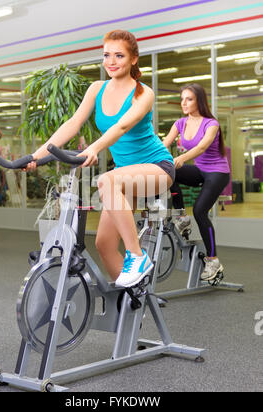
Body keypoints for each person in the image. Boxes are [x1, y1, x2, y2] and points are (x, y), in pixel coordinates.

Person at [25, 29, 175, 288]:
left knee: (106, 181)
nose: (111, 61)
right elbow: (72, 124)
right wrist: (36, 156)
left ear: (133, 59)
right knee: (104, 244)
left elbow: (121, 127)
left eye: (119, 55)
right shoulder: (97, 88)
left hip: (157, 169)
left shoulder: (144, 93)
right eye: (107, 55)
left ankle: (138, 257)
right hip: (125, 174)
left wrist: (93, 148)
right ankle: (132, 296)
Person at [163, 83, 230, 282]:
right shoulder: (180, 123)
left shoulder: (211, 124)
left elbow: (201, 148)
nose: (184, 103)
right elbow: (164, 143)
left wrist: (183, 158)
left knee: (200, 211)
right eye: (182, 99)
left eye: (189, 99)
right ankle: (181, 216)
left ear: (199, 101)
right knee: (169, 172)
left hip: (217, 172)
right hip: (200, 171)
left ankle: (213, 261)